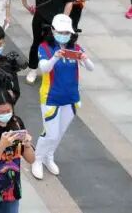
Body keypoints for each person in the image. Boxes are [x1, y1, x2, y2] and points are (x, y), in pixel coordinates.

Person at [32, 13, 93, 180]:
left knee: (60, 132)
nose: (64, 35)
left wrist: (85, 59)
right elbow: (44, 68)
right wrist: (55, 58)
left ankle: (49, 157)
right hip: (51, 97)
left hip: (71, 98)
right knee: (50, 133)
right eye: (61, 32)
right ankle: (38, 159)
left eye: (67, 32)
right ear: (53, 30)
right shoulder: (44, 47)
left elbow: (91, 68)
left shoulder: (76, 48)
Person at [20, 0, 75, 83]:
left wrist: (63, 20)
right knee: (37, 43)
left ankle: (53, 69)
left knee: (57, 44)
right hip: (41, 18)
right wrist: (26, 5)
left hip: (58, 21)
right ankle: (33, 69)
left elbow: (69, 1)